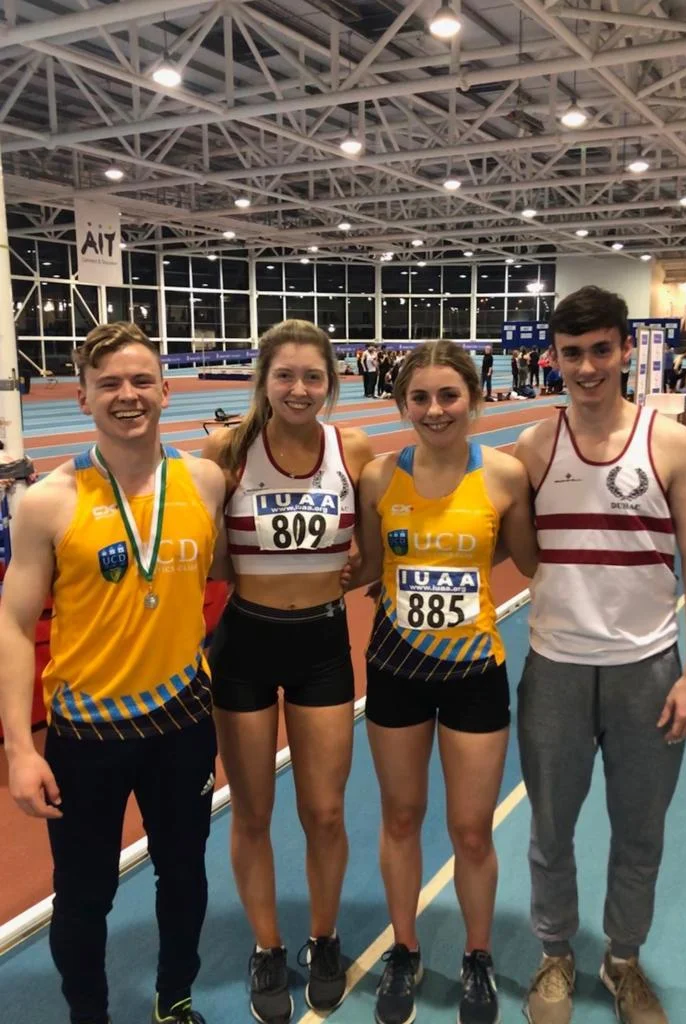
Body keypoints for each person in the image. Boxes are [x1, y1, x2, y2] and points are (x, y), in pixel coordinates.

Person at [0, 322, 227, 1024]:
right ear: (82, 397)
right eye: (108, 384)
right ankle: (88, 1015)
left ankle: (174, 998)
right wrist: (20, 749)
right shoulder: (48, 501)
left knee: (184, 875)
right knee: (84, 896)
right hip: (86, 736)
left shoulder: (204, 481)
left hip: (182, 722)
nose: (127, 395)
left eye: (140, 380)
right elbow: (13, 625)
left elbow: (231, 572)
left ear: (165, 389)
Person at [513, 287, 686, 1024]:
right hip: (555, 670)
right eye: (572, 353)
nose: (587, 367)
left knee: (639, 831)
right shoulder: (534, 448)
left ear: (626, 349)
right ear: (553, 358)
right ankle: (555, 955)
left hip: (648, 670)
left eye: (601, 350)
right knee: (550, 829)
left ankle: (622, 960)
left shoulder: (670, 443)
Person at [348, 340, 538, 1024]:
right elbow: (367, 567)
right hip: (396, 668)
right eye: (420, 397)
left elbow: (530, 559)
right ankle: (403, 949)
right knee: (400, 818)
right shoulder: (378, 478)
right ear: (402, 403)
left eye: (448, 395)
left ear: (473, 399)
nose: (434, 409)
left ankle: (476, 956)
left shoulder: (505, 475)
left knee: (471, 830)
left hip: (473, 671)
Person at [200, 319, 374, 1024]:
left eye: (312, 377)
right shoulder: (226, 449)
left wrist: (358, 566)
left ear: (330, 383)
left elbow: (378, 541)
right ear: (263, 381)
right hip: (245, 642)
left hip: (322, 643)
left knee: (325, 811)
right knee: (252, 811)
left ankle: (323, 938)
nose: (299, 389)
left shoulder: (352, 448)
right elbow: (211, 554)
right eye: (285, 376)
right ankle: (267, 947)